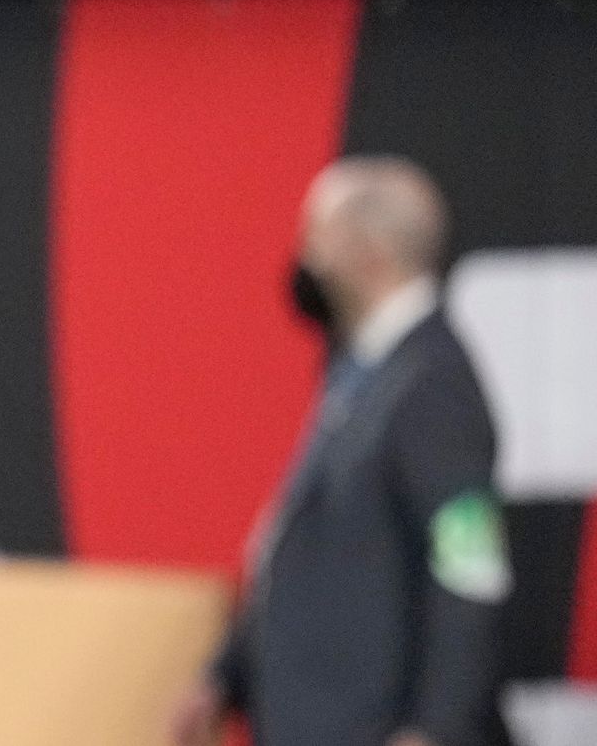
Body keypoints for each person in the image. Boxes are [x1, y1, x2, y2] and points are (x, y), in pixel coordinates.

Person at [170, 157, 510, 746]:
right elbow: (301, 543)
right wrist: (226, 674)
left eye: (317, 239)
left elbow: (471, 569)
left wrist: (435, 728)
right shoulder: (366, 372)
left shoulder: (433, 384)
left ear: (368, 253)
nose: (305, 261)